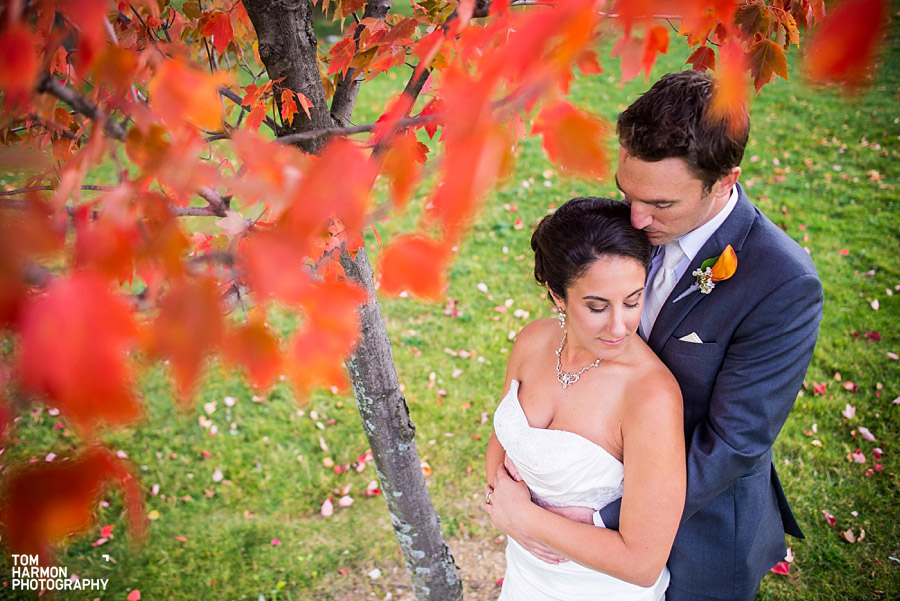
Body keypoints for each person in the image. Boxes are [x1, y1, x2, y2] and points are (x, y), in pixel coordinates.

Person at [488, 70, 824, 601]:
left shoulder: (781, 281)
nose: (637, 219)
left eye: (661, 205)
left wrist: (598, 516)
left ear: (724, 180)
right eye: (628, 193)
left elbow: (735, 441)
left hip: (697, 528)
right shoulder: (635, 216)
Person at [483, 196, 686, 600]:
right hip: (524, 575)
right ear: (557, 295)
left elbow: (642, 563)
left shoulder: (650, 396)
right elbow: (503, 443)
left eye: (632, 300)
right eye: (596, 306)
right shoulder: (532, 341)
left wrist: (521, 516)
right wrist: (504, 510)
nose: (619, 326)